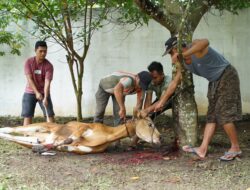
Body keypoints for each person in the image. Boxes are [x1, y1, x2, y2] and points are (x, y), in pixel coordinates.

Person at [156, 36, 242, 161]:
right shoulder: (184, 63)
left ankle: (235, 148)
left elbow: (206, 42)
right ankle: (202, 149)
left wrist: (183, 53)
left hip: (227, 75)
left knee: (224, 113)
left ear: (176, 48)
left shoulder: (195, 47)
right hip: (214, 81)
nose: (171, 57)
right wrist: (162, 102)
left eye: (171, 53)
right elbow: (175, 82)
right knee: (211, 115)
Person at [129, 61, 181, 148]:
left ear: (162, 74)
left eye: (155, 77)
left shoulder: (168, 81)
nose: (153, 80)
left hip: (172, 99)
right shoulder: (152, 82)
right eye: (152, 78)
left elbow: (163, 99)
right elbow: (148, 99)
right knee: (148, 118)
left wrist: (147, 110)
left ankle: (179, 141)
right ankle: (134, 142)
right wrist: (145, 113)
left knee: (178, 118)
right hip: (160, 100)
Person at [21, 41, 55, 126]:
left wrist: (46, 97)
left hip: (44, 92)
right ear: (35, 50)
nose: (43, 53)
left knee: (50, 115)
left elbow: (47, 82)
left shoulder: (49, 66)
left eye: (45, 51)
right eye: (40, 51)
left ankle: (53, 136)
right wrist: (36, 93)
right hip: (30, 92)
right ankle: (26, 137)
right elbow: (29, 79)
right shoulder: (29, 62)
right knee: (27, 116)